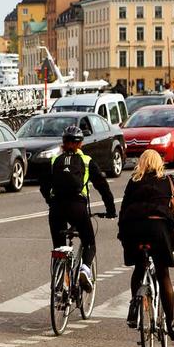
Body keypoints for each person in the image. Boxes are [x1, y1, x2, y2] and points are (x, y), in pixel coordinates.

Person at [118, 149, 174, 340]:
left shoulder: (133, 182)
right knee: (163, 274)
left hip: (134, 230)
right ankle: (171, 323)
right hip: (158, 230)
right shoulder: (167, 181)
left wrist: (123, 234)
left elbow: (123, 209)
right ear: (159, 163)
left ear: (141, 163)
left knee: (139, 268)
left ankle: (134, 309)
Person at [39, 125, 117, 292]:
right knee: (89, 243)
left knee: (59, 247)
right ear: (80, 143)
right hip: (77, 207)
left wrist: (50, 201)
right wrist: (111, 209)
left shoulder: (54, 161)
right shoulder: (87, 162)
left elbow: (43, 186)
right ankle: (85, 269)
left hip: (57, 209)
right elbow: (103, 187)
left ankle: (60, 283)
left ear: (63, 142)